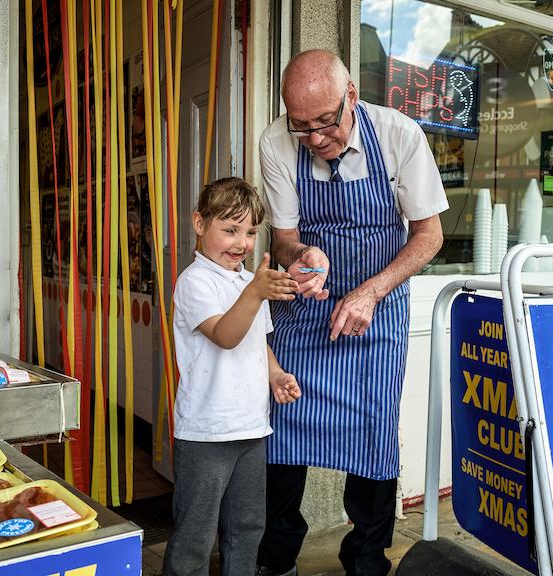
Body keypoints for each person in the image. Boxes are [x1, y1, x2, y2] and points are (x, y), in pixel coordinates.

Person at [256, 50, 447, 576]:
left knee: (373, 436)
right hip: (307, 307)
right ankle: (276, 557)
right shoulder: (275, 142)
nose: (316, 138)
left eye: (326, 122)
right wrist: (303, 257)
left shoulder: (399, 135)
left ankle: (366, 560)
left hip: (377, 309)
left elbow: (429, 236)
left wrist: (371, 293)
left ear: (352, 98)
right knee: (281, 426)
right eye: (302, 126)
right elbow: (285, 239)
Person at [164, 177, 303, 576]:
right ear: (199, 223)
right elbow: (225, 336)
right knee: (195, 534)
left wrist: (275, 374)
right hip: (206, 432)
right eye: (230, 230)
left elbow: (258, 341)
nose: (242, 243)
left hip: (252, 426)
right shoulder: (195, 281)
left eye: (251, 232)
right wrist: (256, 292)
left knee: (247, 527)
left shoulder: (248, 281)